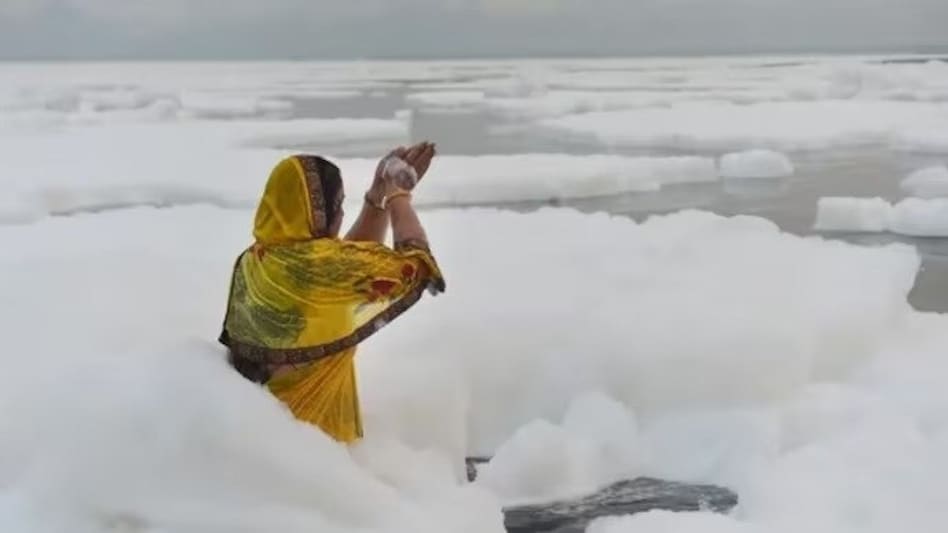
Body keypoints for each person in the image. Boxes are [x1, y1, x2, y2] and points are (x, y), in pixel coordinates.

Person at [219, 143, 445, 443]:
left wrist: (376, 198)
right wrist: (398, 197)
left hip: (264, 440)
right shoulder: (316, 268)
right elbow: (415, 266)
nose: (339, 216)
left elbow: (343, 271)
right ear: (314, 212)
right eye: (336, 207)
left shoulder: (257, 260)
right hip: (314, 451)